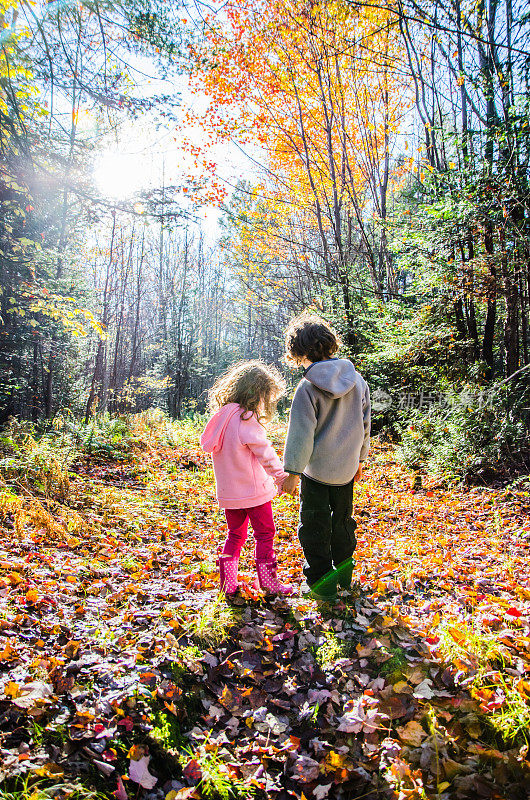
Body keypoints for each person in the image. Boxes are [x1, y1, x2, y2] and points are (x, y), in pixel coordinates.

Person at [282, 315, 370, 601]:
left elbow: (301, 434)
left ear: (299, 352)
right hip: (346, 469)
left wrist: (293, 472)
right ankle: (344, 576)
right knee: (343, 522)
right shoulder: (358, 381)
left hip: (316, 473)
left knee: (314, 525)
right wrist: (360, 460)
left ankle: (321, 584)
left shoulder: (307, 388)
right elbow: (366, 424)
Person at [200, 361, 293, 597]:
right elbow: (265, 453)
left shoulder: (221, 417)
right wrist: (281, 477)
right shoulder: (245, 418)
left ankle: (227, 585)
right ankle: (269, 584)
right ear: (258, 393)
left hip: (230, 494)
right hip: (254, 493)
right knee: (265, 534)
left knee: (235, 535)